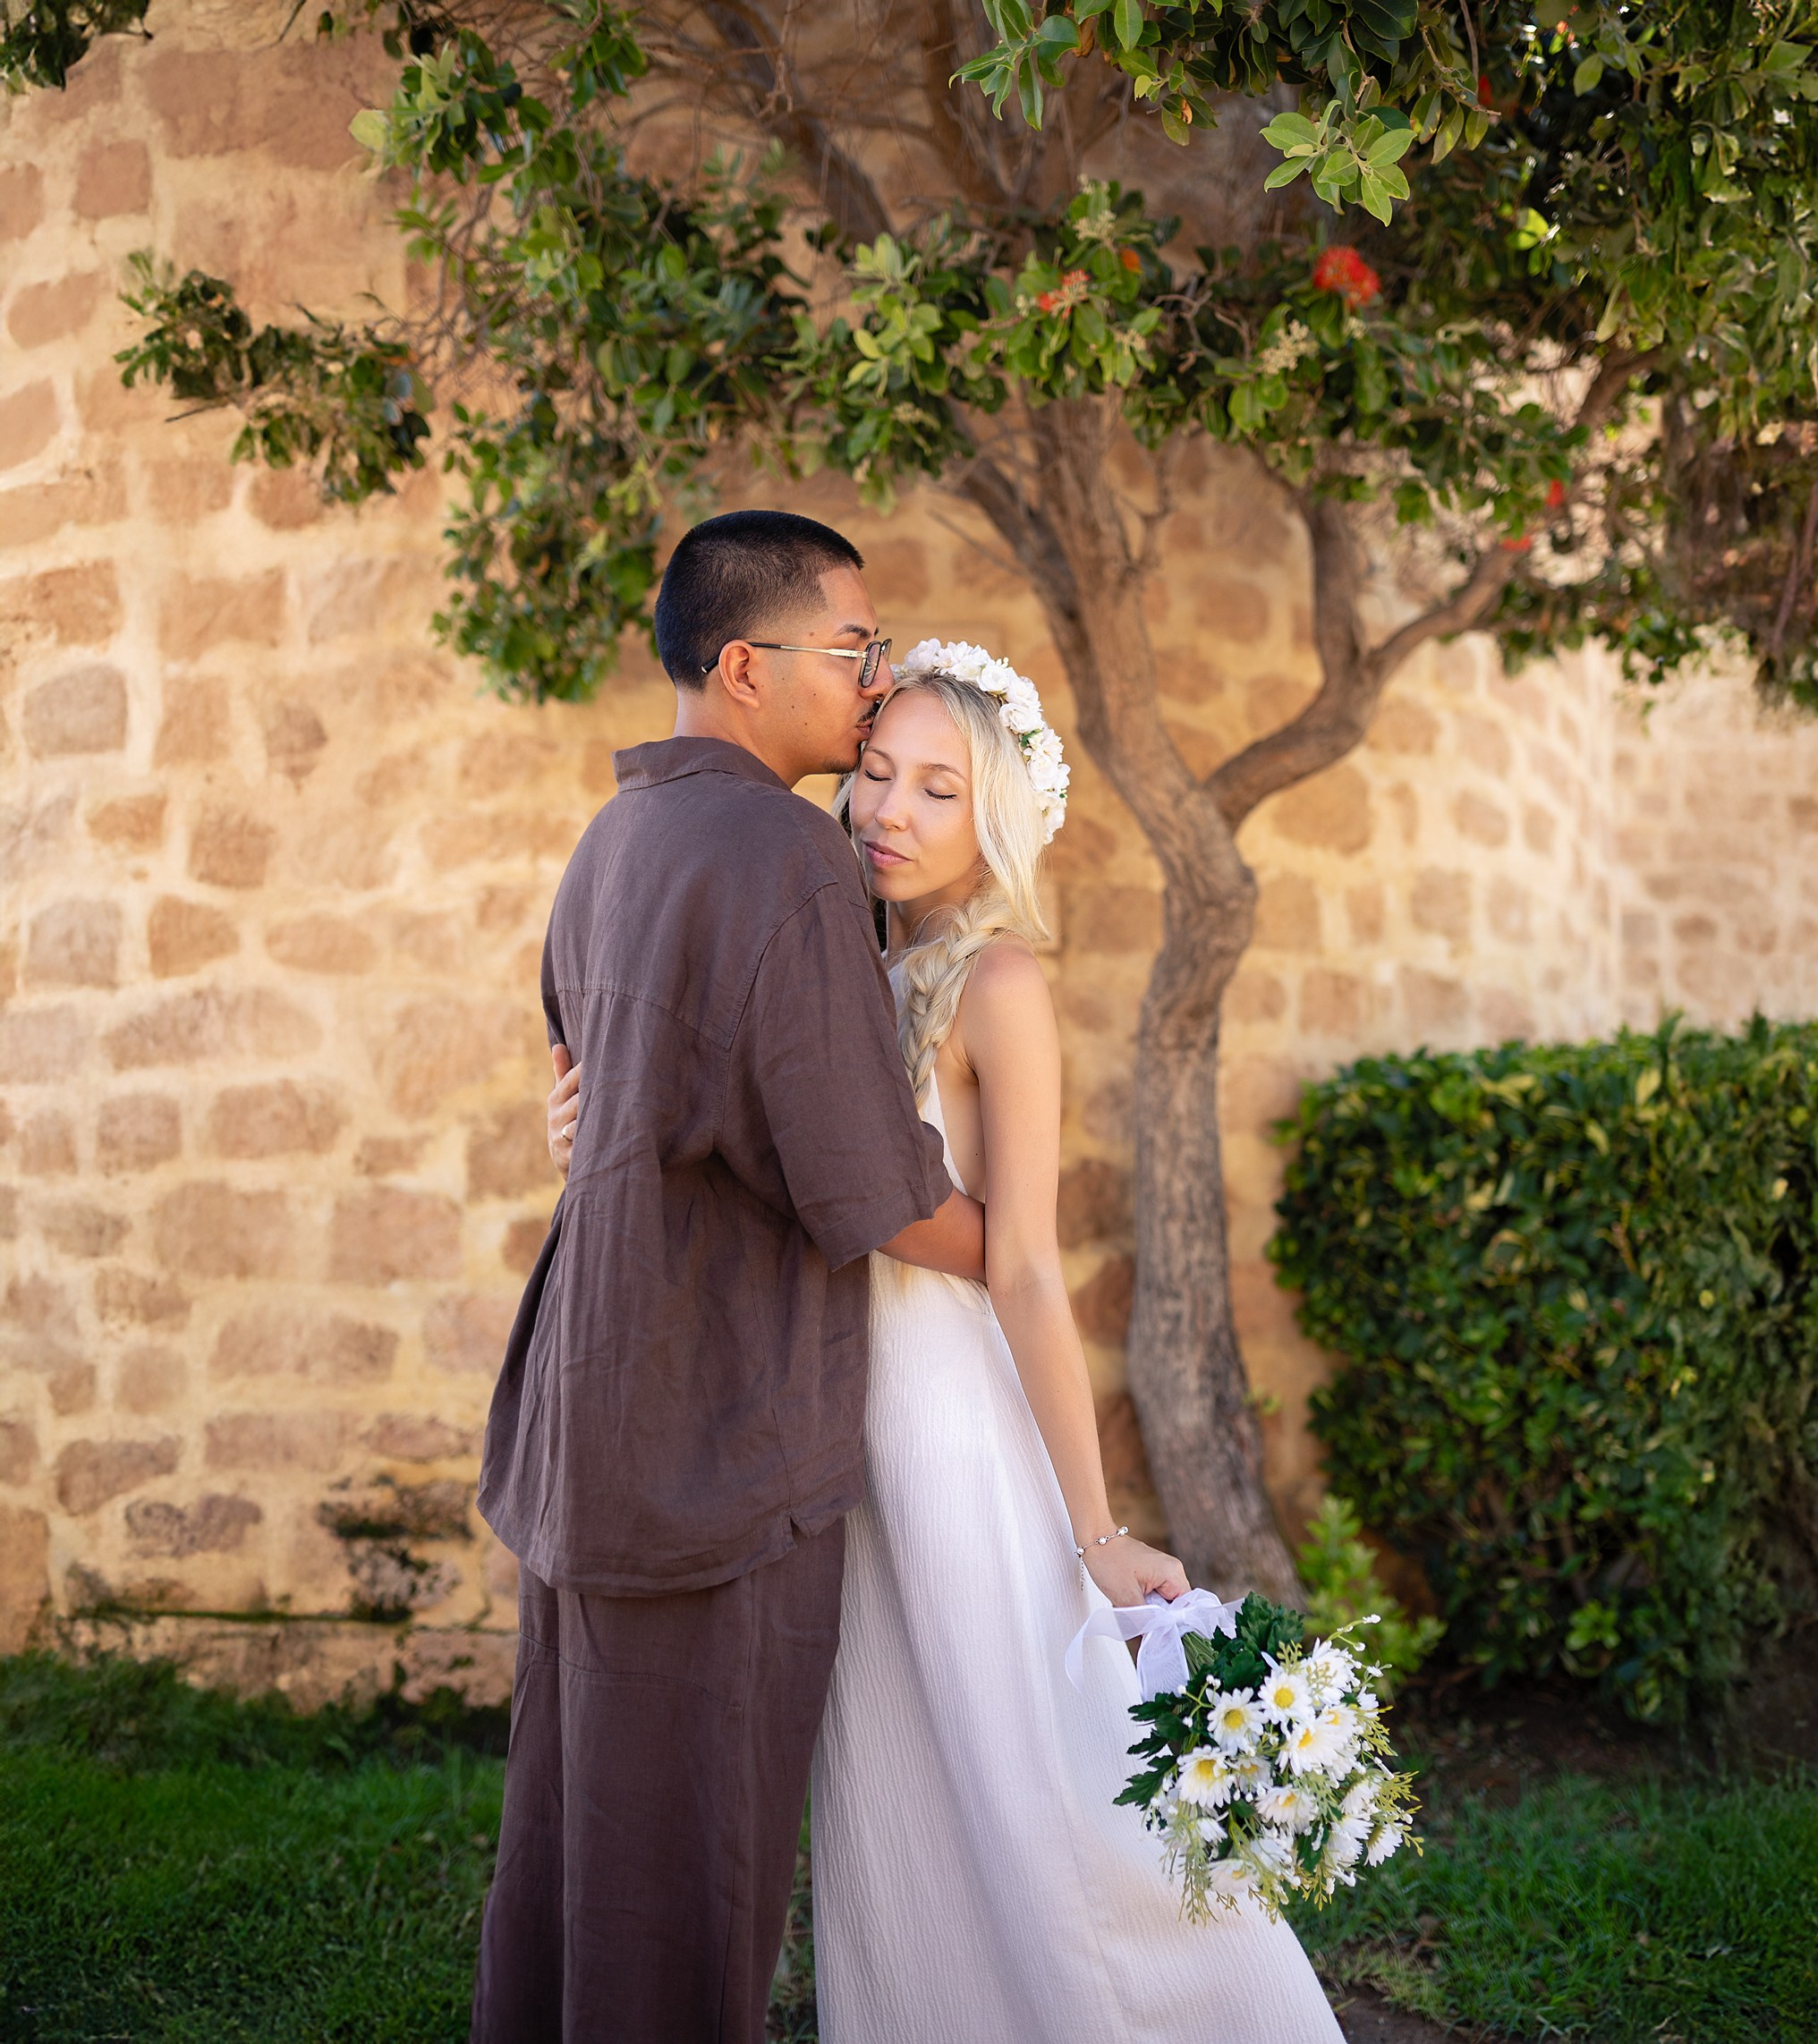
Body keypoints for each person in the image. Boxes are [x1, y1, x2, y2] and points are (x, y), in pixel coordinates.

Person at [552, 644, 1345, 2039]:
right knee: (890, 1784)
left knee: (1026, 1768)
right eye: (875, 772)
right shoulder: (835, 949)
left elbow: (1027, 1264)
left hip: (939, 1417)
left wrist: (1096, 1533)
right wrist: (593, 1121)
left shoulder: (998, 986)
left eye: (938, 788)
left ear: (997, 822)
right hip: (824, 1409)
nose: (889, 812)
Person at [471, 510, 988, 2044]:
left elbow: (590, 1074)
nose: (874, 681)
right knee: (691, 1876)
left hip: (594, 1413)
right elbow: (867, 1189)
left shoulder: (613, 834)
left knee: (576, 1844)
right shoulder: (783, 860)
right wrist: (1012, 1243)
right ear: (748, 666)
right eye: (855, 651)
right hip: (716, 1434)